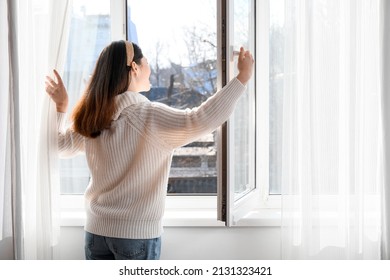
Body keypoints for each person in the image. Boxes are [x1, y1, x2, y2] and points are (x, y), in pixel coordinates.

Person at [45, 40, 254, 260]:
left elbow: (59, 146)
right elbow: (201, 119)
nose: (150, 68)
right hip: (135, 237)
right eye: (146, 62)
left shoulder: (93, 119)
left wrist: (60, 107)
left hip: (96, 233)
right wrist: (242, 78)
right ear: (134, 67)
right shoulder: (148, 116)